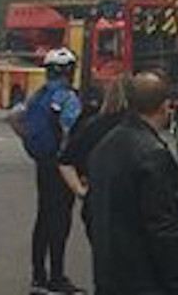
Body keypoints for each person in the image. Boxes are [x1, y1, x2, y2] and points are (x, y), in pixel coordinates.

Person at [88, 71, 178, 295]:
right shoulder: (154, 154)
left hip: (109, 275)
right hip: (146, 279)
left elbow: (90, 212)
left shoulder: (104, 147)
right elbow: (161, 225)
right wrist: (177, 281)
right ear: (165, 106)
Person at [14, 48, 84, 295]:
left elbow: (15, 117)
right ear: (70, 71)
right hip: (61, 165)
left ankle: (38, 275)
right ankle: (57, 277)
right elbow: (71, 132)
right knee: (60, 221)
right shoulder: (68, 97)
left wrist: (30, 144)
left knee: (43, 217)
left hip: (42, 163)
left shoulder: (38, 95)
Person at [58, 75, 131, 239]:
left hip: (97, 201)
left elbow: (65, 161)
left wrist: (80, 190)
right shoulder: (138, 128)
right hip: (130, 205)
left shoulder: (93, 126)